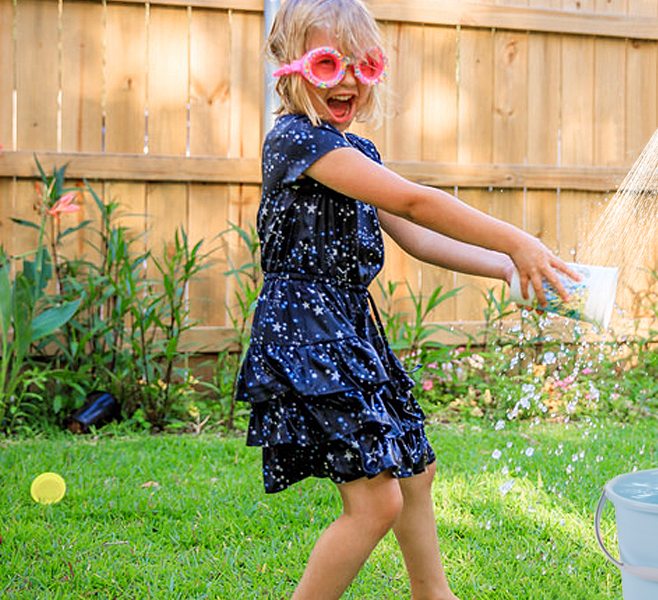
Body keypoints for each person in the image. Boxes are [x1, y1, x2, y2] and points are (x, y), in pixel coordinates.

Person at [235, 1, 577, 599]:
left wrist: (507, 269)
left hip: (348, 326)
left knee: (415, 470)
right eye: (326, 64)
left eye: (361, 66)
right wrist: (518, 240)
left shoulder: (359, 152)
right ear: (289, 67)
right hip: (307, 332)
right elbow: (419, 203)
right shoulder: (296, 142)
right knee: (374, 504)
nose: (345, 80)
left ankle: (433, 595)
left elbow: (416, 237)